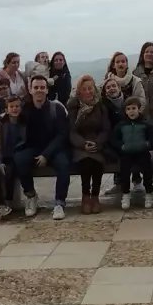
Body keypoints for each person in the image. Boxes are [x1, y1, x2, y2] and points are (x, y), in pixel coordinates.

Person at [14, 75, 70, 220]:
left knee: (64, 164)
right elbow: (9, 118)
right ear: (30, 90)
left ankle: (59, 203)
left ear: (47, 90)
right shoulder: (24, 109)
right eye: (36, 87)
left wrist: (46, 154)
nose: (39, 90)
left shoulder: (56, 108)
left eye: (42, 87)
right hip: (32, 147)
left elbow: (62, 134)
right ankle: (31, 196)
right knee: (19, 160)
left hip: (53, 148)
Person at [67, 74, 111, 215]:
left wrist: (98, 143)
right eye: (84, 89)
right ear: (79, 91)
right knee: (86, 162)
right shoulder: (73, 107)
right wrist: (82, 144)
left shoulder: (100, 106)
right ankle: (85, 196)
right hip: (80, 144)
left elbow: (106, 129)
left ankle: (95, 196)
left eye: (90, 88)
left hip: (97, 143)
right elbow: (71, 131)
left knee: (97, 164)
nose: (88, 92)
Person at [113, 96, 153, 210]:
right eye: (128, 109)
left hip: (142, 152)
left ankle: (149, 193)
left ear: (139, 109)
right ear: (125, 111)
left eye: (134, 108)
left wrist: (147, 144)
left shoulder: (145, 124)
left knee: (147, 170)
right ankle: (126, 194)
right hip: (127, 153)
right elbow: (114, 139)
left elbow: (152, 137)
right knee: (124, 172)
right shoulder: (121, 125)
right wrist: (121, 146)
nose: (131, 111)